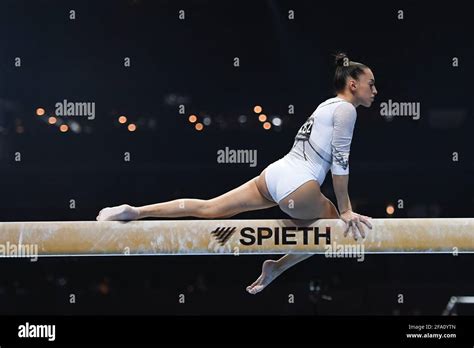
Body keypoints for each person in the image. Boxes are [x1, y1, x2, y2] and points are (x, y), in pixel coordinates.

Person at [97, 52, 376, 295]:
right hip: (298, 185)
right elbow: (341, 162)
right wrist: (347, 210)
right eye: (371, 84)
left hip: (276, 174)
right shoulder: (346, 110)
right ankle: (277, 267)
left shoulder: (325, 105)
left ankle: (135, 211)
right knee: (331, 228)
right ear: (353, 84)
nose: (375, 90)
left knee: (210, 208)